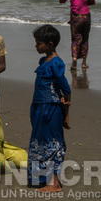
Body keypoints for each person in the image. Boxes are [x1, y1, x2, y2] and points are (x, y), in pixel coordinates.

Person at [29, 24, 72, 191]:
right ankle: (46, 177)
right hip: (39, 105)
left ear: (50, 43)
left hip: (51, 107)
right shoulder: (43, 61)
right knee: (39, 141)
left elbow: (65, 89)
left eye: (39, 43)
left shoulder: (56, 63)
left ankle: (54, 182)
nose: (36, 46)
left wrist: (66, 114)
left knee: (51, 142)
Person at [58, 0, 95, 71]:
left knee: (76, 39)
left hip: (75, 18)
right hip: (86, 17)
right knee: (85, 39)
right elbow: (92, 1)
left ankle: (74, 59)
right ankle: (83, 63)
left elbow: (62, 0)